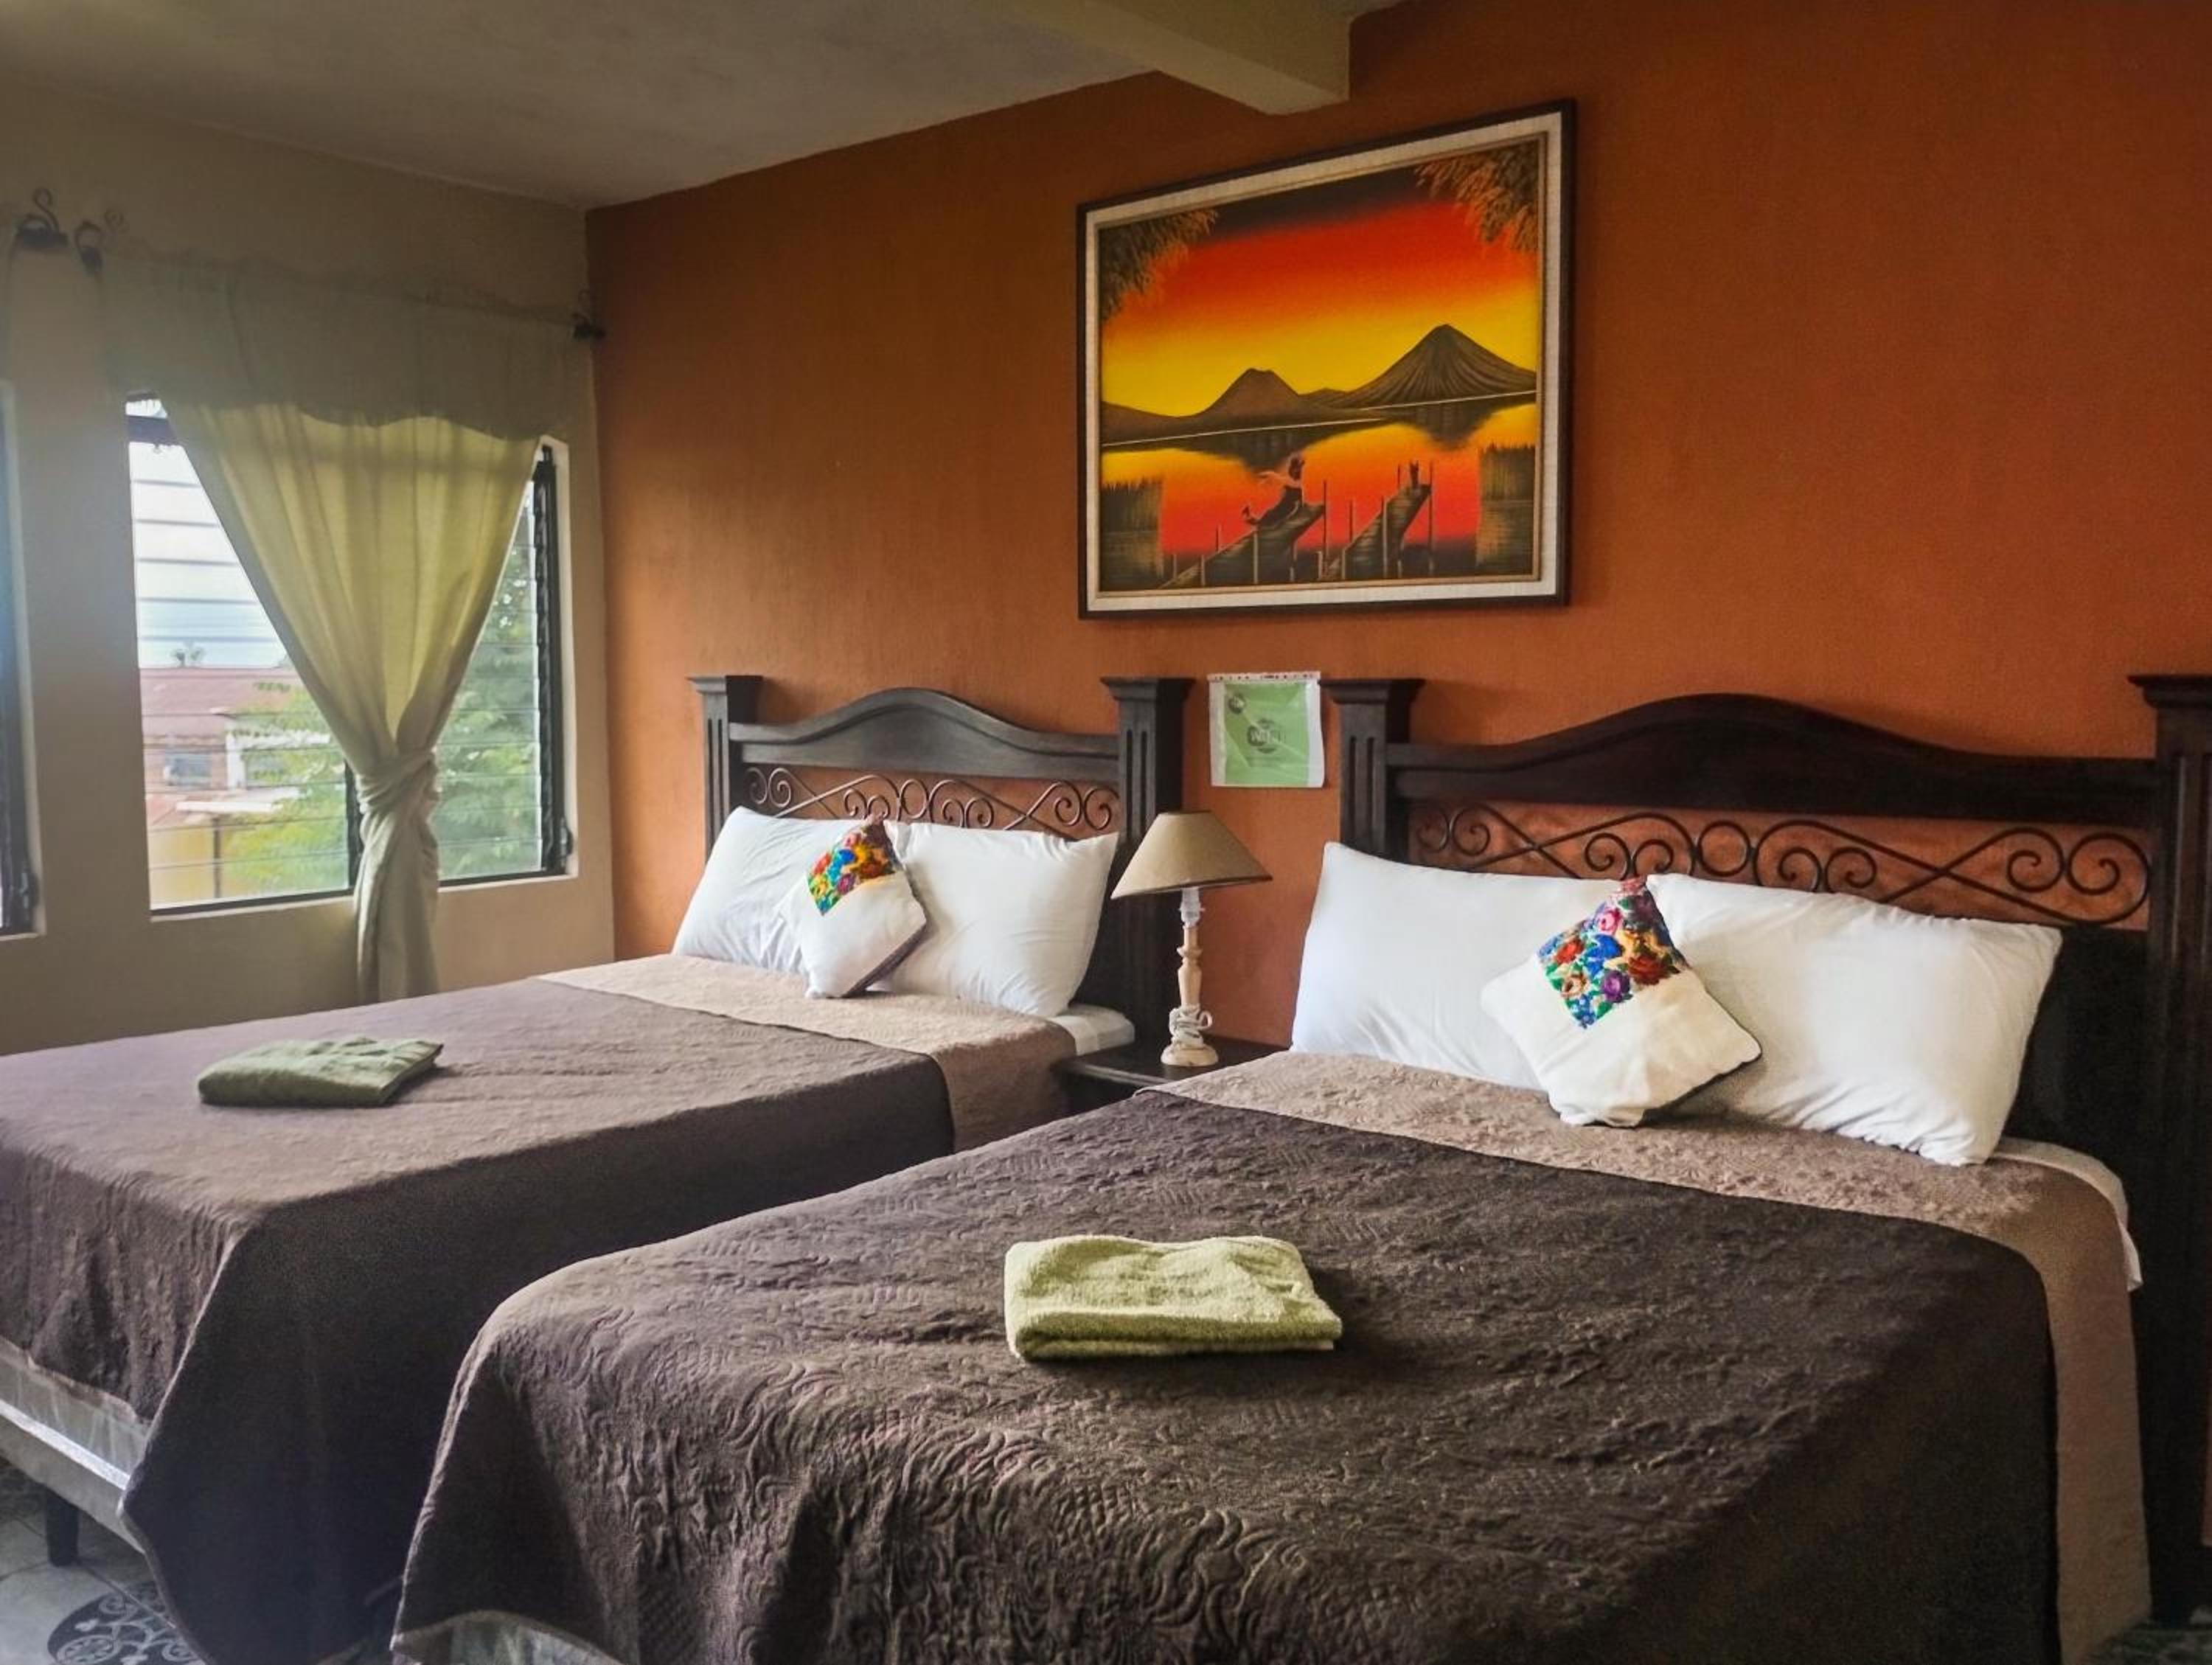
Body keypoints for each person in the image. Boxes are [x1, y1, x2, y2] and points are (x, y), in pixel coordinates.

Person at [1242, 454, 1306, 529]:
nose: (1294, 471)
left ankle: (1259, 522)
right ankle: (1257, 521)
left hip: (1286, 508)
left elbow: (1274, 476)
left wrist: (1261, 476)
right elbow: (1282, 487)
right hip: (1284, 506)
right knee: (1269, 513)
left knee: (1270, 515)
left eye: (1296, 469)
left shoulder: (1294, 483)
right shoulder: (1291, 483)